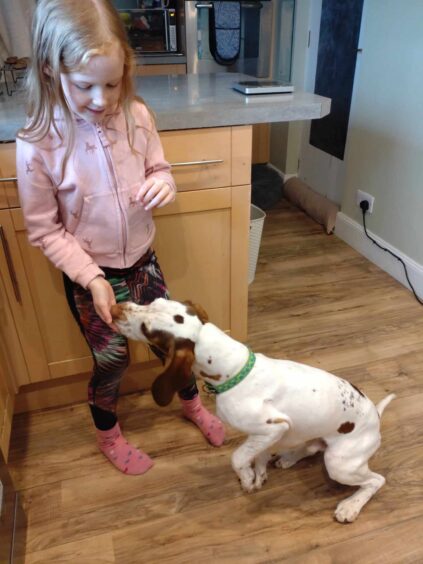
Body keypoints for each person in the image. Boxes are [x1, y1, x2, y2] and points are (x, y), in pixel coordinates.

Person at [16, 0, 225, 476]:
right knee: (111, 361)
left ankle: (192, 405)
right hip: (94, 277)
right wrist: (91, 279)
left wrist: (164, 184)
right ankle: (108, 434)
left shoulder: (137, 116)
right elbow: (44, 229)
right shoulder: (38, 142)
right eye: (84, 85)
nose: (101, 98)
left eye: (111, 83)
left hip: (143, 262)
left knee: (174, 343)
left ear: (125, 70)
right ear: (51, 70)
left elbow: (160, 170)